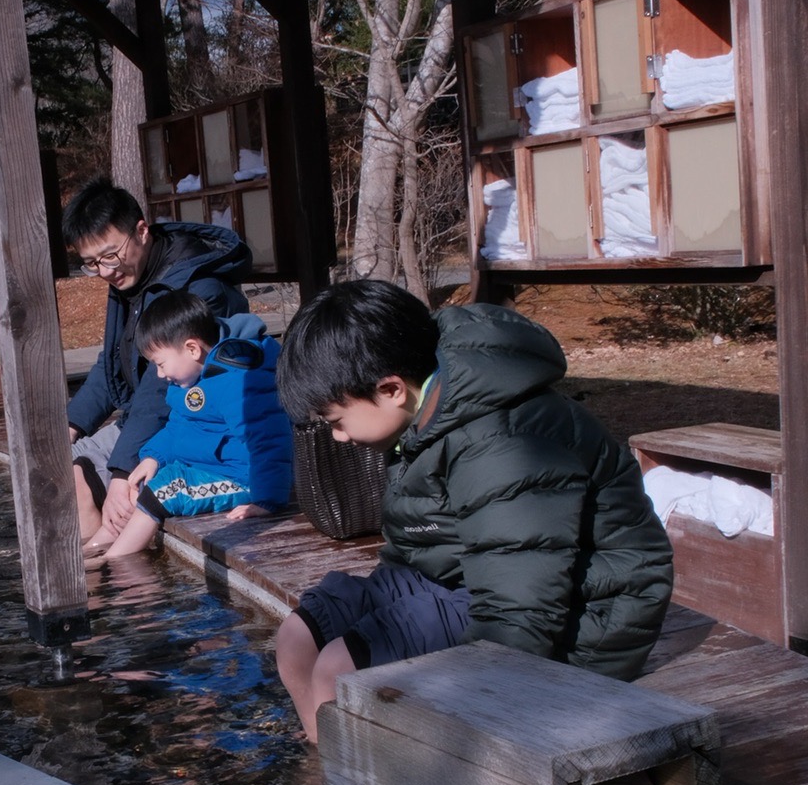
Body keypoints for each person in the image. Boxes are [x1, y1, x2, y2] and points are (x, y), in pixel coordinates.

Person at [273, 281, 674, 743]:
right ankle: (330, 765)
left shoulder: (503, 442)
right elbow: (416, 553)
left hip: (582, 615)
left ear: (390, 389)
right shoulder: (422, 411)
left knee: (338, 669)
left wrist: (480, 725)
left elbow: (520, 612)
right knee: (297, 641)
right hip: (476, 577)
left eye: (337, 422)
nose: (338, 439)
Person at [64, 179, 252, 545]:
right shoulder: (131, 278)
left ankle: (101, 589)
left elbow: (160, 387)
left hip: (193, 428)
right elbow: (111, 364)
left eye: (109, 256)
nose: (104, 271)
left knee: (101, 503)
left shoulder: (199, 289)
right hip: (142, 423)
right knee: (56, 472)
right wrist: (69, 426)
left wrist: (122, 470)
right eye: (90, 264)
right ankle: (83, 580)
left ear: (141, 231)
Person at [86, 289, 293, 563]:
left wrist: (267, 499)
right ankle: (93, 548)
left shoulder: (238, 380)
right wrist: (152, 457)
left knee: (165, 491)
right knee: (145, 484)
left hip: (242, 480)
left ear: (192, 349)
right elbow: (179, 425)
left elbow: (267, 440)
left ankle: (112, 562)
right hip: (209, 468)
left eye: (160, 363)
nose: (159, 374)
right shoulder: (191, 379)